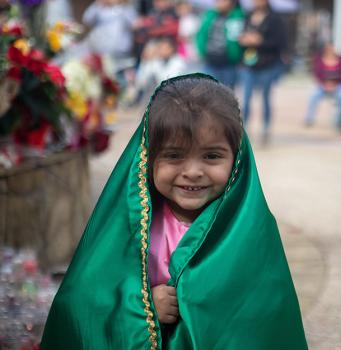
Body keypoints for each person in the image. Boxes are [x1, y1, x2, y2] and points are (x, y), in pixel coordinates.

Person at [41, 74, 308, 349]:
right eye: (173, 156)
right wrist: (141, 308)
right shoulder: (131, 225)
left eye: (212, 156)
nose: (192, 172)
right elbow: (84, 302)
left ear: (238, 158)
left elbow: (262, 321)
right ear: (147, 158)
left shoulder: (252, 232)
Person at [239, 0, 287, 144]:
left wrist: (260, 41)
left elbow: (280, 42)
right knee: (246, 99)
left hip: (267, 64)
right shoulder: (247, 16)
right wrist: (244, 39)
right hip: (248, 64)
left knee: (265, 98)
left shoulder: (274, 19)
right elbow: (240, 34)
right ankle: (243, 130)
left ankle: (265, 129)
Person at [196, 0, 244, 89]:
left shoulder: (238, 17)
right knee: (208, 93)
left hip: (229, 63)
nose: (219, 2)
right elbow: (201, 34)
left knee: (226, 95)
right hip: (210, 61)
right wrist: (201, 51)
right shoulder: (209, 15)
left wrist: (236, 56)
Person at [303, 42, 341, 129]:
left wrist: (335, 84)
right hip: (323, 85)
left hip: (338, 85)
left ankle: (339, 121)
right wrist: (325, 84)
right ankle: (309, 118)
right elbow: (316, 74)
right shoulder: (320, 59)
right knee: (314, 96)